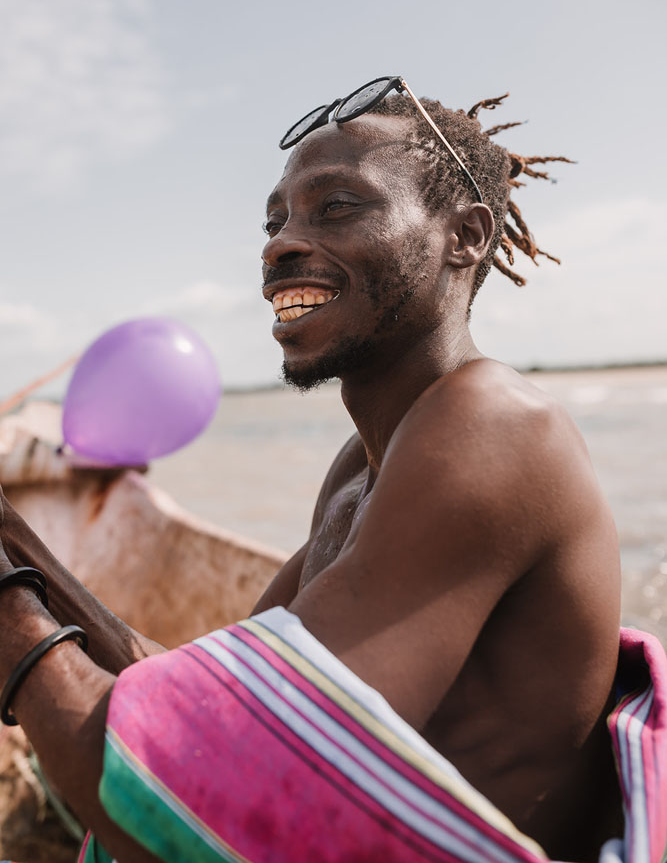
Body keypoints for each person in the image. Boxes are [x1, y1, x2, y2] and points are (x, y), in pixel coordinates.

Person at [0, 77, 665, 863]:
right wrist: (13, 538)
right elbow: (182, 688)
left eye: (337, 206)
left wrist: (10, 614)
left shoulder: (494, 426)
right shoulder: (364, 463)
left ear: (466, 235)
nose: (278, 243)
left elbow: (187, 806)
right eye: (275, 219)